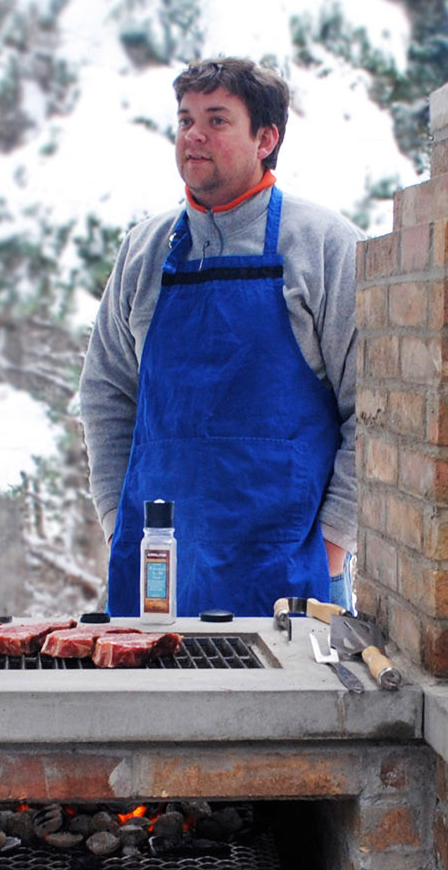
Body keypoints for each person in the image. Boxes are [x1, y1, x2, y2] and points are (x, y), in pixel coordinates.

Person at [80, 57, 359, 618]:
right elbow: (105, 392)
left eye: (217, 119)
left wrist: (333, 541)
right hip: (157, 574)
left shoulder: (326, 245)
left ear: (267, 137)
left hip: (290, 573)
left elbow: (376, 408)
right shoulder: (144, 249)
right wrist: (116, 520)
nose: (194, 135)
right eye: (185, 120)